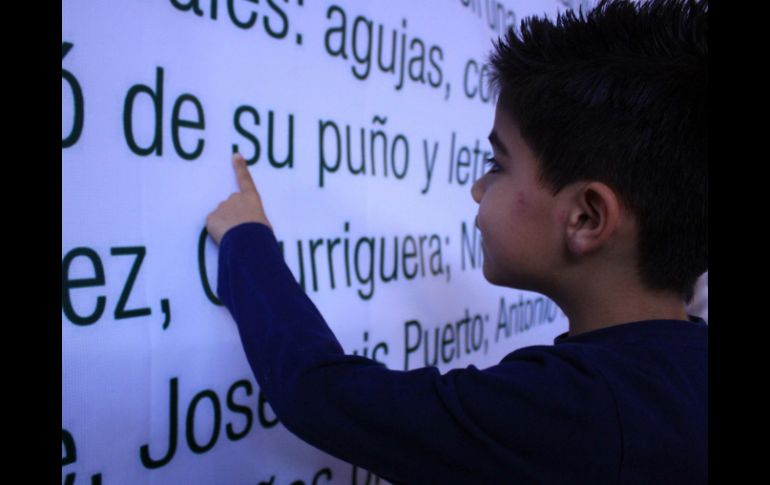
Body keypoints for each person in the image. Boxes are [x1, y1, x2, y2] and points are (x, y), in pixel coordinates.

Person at [205, 0, 707, 482]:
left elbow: (319, 395)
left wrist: (247, 241)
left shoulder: (578, 413)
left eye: (498, 165)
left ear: (585, 217)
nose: (478, 188)